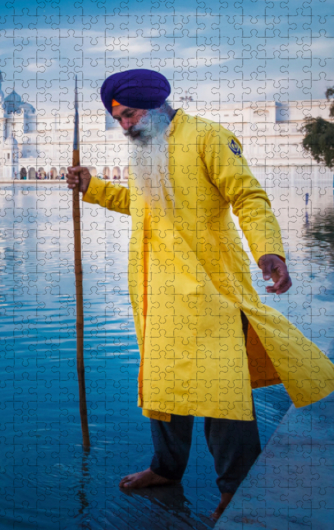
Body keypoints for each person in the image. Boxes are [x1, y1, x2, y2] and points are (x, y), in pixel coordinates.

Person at [67, 68, 334, 521]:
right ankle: (165, 468)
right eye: (119, 120)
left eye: (130, 115)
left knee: (221, 395)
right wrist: (93, 189)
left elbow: (248, 197)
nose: (125, 126)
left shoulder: (209, 138)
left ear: (155, 107)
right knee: (165, 387)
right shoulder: (146, 149)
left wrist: (269, 250)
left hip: (210, 291)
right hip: (159, 293)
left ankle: (235, 488)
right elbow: (142, 204)